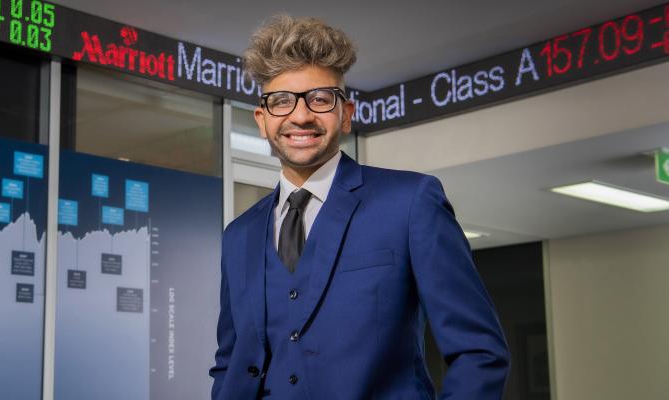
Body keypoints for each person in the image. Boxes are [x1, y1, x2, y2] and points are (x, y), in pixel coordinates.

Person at [210, 15, 510, 400]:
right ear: (262, 120)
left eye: (320, 99)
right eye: (281, 101)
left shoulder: (410, 202)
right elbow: (229, 361)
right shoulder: (239, 235)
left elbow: (479, 352)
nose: (300, 115)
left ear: (346, 114)